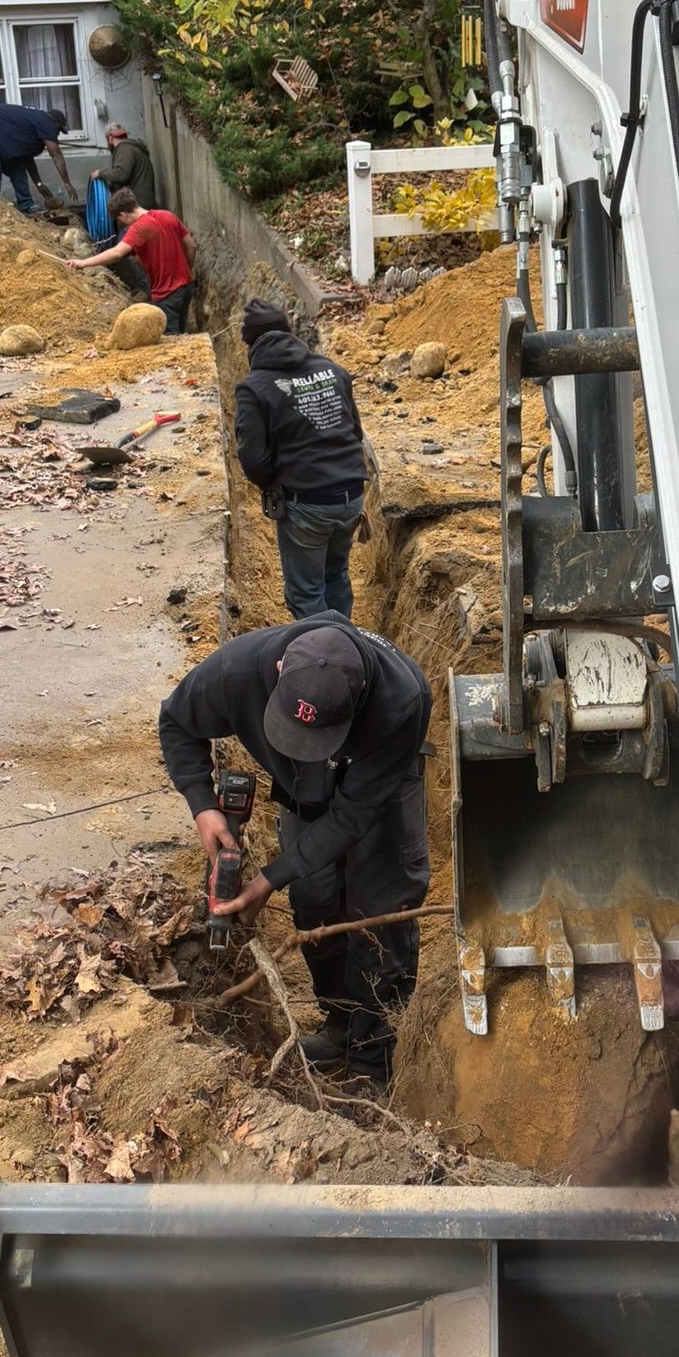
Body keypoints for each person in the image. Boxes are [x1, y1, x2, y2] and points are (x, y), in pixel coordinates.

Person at [159, 617, 432, 1082]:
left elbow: (352, 816)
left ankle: (373, 1055)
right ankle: (339, 1023)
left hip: (378, 788)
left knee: (379, 909)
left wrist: (266, 881)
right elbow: (177, 721)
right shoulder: (238, 672)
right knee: (314, 898)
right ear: (280, 670)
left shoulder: (401, 699)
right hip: (302, 788)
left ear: (360, 699)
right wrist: (202, 805)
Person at [234, 298, 367, 621]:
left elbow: (252, 458)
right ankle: (346, 648)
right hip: (352, 495)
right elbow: (356, 432)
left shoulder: (254, 388)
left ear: (250, 343)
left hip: (307, 503)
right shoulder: (333, 371)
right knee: (335, 575)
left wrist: (273, 483)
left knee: (306, 592)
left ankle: (323, 660)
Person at [66, 189, 196, 334]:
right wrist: (186, 270)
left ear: (123, 214)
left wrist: (83, 263)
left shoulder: (138, 228)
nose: (122, 223)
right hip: (186, 286)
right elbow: (191, 245)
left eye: (120, 220)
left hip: (167, 293)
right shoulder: (167, 215)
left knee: (172, 338)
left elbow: (117, 253)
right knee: (184, 332)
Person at [0, 101, 74, 214]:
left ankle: (26, 204)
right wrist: (67, 183)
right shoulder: (46, 122)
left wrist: (39, 185)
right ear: (56, 124)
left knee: (18, 166)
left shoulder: (34, 128)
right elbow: (56, 153)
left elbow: (27, 159)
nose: (56, 135)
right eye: (58, 131)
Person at [90, 124, 158, 208]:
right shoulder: (130, 148)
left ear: (110, 138)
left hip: (138, 206)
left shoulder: (124, 149)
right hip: (142, 203)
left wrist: (100, 173)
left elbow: (122, 174)